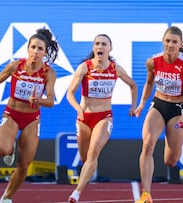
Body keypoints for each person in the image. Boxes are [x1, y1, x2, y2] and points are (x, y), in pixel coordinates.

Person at [0, 28, 59, 203]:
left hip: (32, 119)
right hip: (12, 114)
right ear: (28, 48)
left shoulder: (48, 73)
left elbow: (51, 101)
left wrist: (39, 100)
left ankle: (7, 198)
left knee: (24, 165)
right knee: (1, 149)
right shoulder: (15, 65)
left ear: (45, 52)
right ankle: (10, 149)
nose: (35, 52)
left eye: (40, 49)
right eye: (33, 47)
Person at [67, 34, 138, 203]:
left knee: (93, 152)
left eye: (104, 44)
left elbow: (133, 85)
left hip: (104, 117)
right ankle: (89, 171)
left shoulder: (115, 69)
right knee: (86, 159)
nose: (100, 47)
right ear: (93, 48)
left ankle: (76, 193)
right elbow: (70, 93)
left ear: (109, 48)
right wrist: (78, 109)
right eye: (97, 44)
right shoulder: (84, 68)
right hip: (84, 117)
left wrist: (133, 106)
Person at [134, 26, 183, 203]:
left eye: (174, 42)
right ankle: (146, 193)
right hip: (159, 105)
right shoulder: (153, 61)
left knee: (171, 161)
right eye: (167, 41)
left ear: (180, 44)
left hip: (177, 109)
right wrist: (141, 104)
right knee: (147, 145)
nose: (170, 45)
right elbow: (148, 83)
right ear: (163, 41)